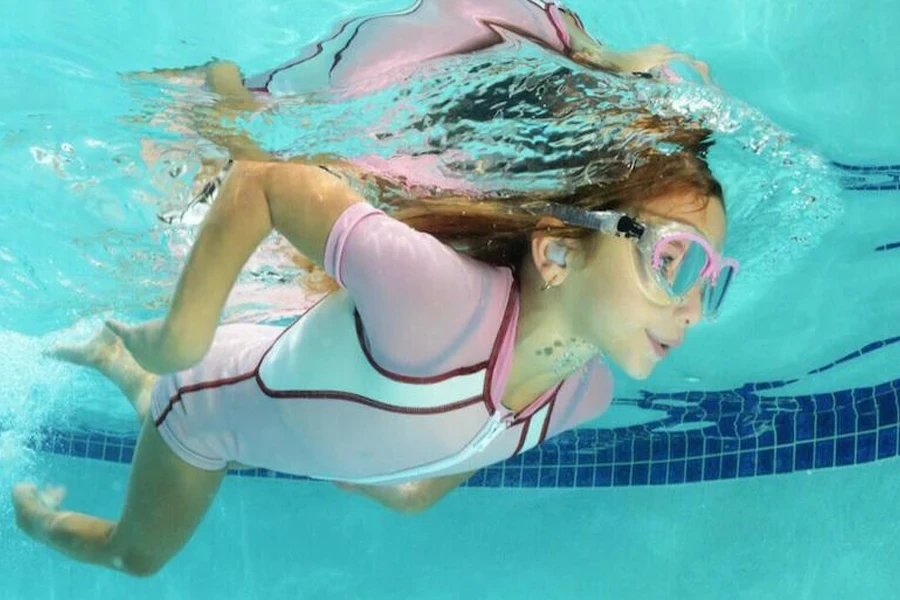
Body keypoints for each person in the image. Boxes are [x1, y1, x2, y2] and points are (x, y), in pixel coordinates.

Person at [11, 3, 734, 579]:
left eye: (711, 280)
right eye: (676, 261)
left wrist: (409, 486)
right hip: (199, 414)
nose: (696, 310)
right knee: (137, 554)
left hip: (263, 393)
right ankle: (38, 514)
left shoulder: (587, 391)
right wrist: (180, 337)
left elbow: (451, 452)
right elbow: (266, 181)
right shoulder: (440, 304)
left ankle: (123, 359)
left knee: (187, 397)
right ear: (555, 251)